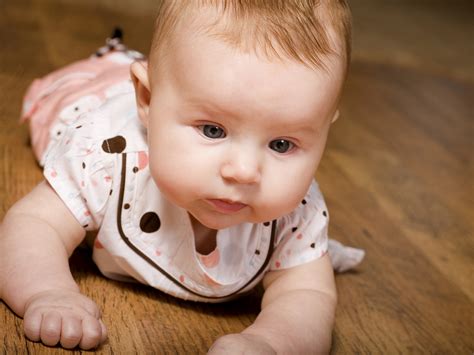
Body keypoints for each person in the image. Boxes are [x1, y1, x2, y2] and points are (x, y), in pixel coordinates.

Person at [0, 0, 364, 352]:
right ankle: (113, 60)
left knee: (183, 76)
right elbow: (34, 223)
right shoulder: (104, 152)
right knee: (84, 83)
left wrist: (271, 342)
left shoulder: (298, 209)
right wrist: (48, 292)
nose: (243, 171)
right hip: (88, 96)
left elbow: (307, 293)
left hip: (172, 89)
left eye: (282, 144)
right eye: (212, 130)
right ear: (146, 99)